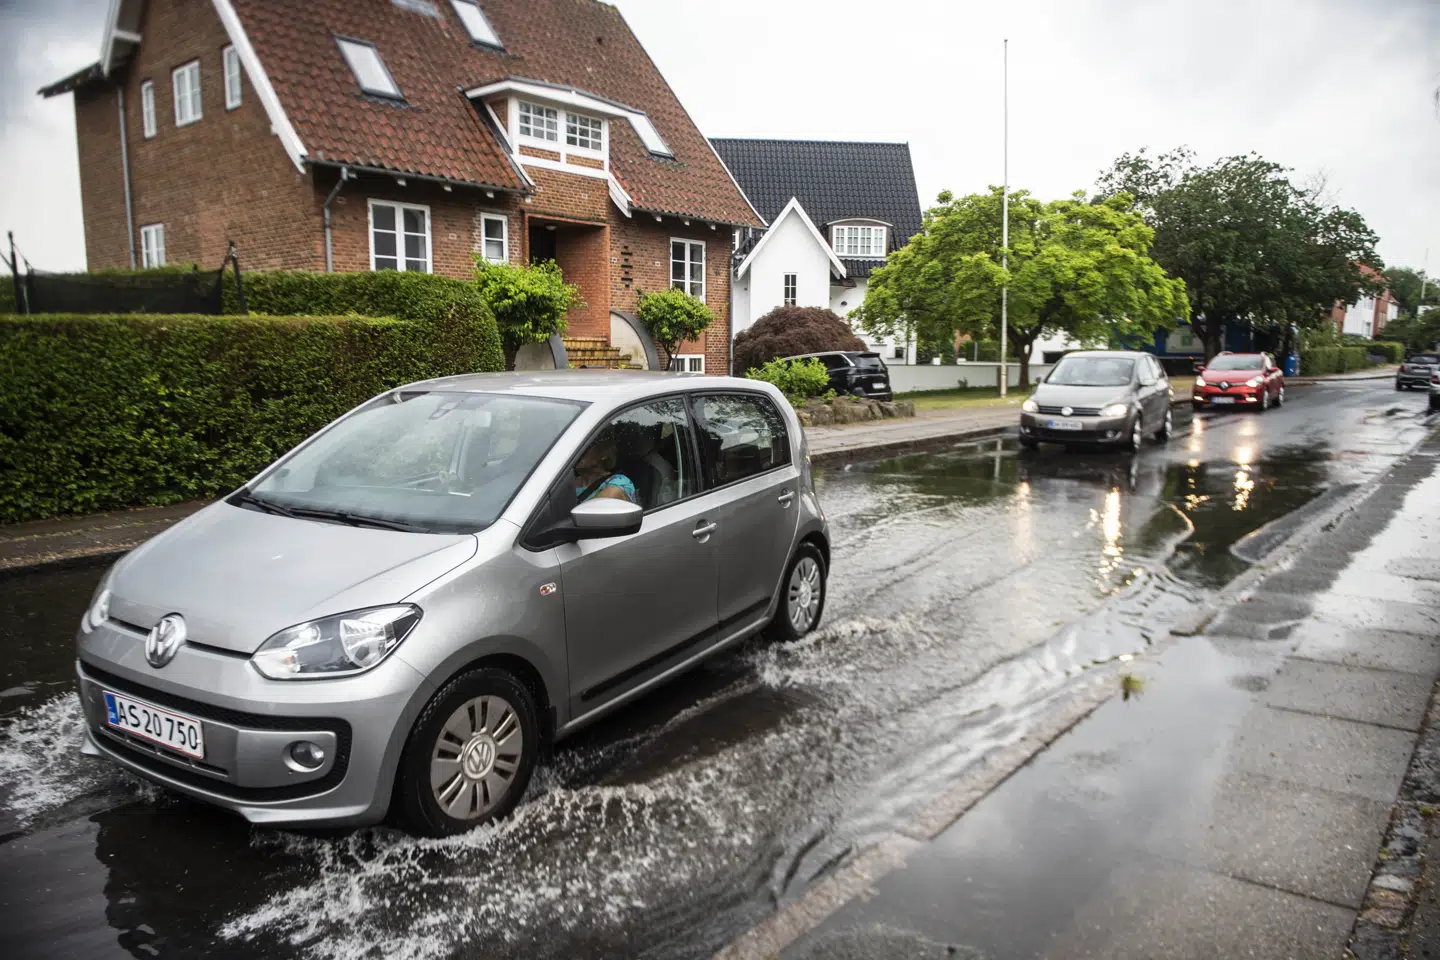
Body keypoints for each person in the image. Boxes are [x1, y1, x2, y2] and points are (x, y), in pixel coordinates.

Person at [573, 434, 638, 504]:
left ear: (604, 454)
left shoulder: (619, 483)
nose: (577, 451)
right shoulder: (567, 481)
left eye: (585, 446)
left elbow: (591, 510)